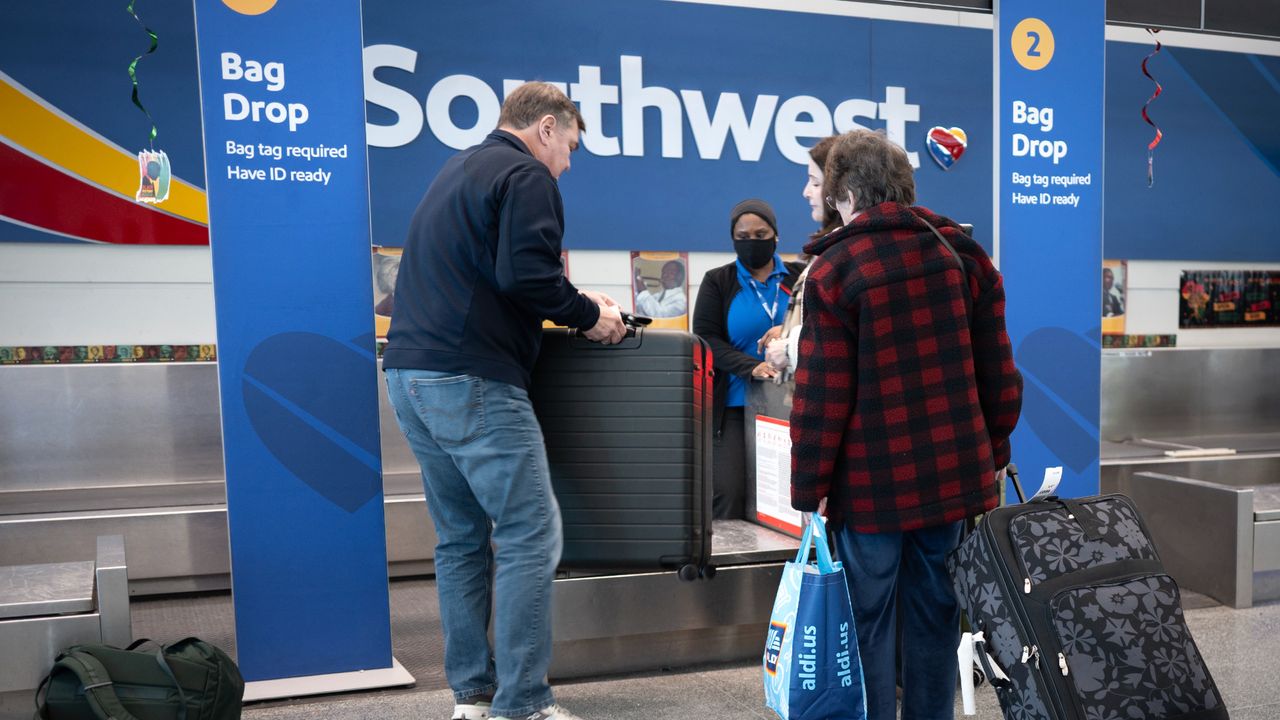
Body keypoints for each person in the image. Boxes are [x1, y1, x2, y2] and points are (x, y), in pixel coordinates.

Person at [382, 81, 626, 720]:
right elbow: (527, 275)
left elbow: (495, 274)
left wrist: (567, 302)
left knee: (460, 538)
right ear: (547, 127)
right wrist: (588, 316)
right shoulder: (527, 175)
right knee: (529, 533)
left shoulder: (457, 167)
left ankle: (472, 697)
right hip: (471, 380)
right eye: (569, 145)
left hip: (408, 374)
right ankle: (522, 704)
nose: (568, 162)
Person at [789, 129, 1023, 720]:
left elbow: (823, 395)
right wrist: (991, 450)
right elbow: (998, 370)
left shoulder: (836, 270)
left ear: (844, 194)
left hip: (869, 490)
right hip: (951, 484)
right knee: (936, 619)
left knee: (866, 622)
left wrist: (809, 486)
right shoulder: (962, 255)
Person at [692, 199, 804, 519]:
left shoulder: (798, 277)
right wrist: (751, 367)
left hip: (792, 405)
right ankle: (729, 566)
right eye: (743, 236)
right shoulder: (719, 281)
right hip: (734, 407)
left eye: (760, 233)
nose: (752, 241)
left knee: (787, 497)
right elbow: (706, 339)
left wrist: (788, 325)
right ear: (733, 239)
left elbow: (820, 323)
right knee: (729, 493)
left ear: (776, 236)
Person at [763, 135, 842, 377]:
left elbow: (837, 341)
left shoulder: (840, 254)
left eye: (815, 183)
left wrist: (788, 347)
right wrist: (788, 331)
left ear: (839, 189)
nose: (806, 192)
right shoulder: (829, 249)